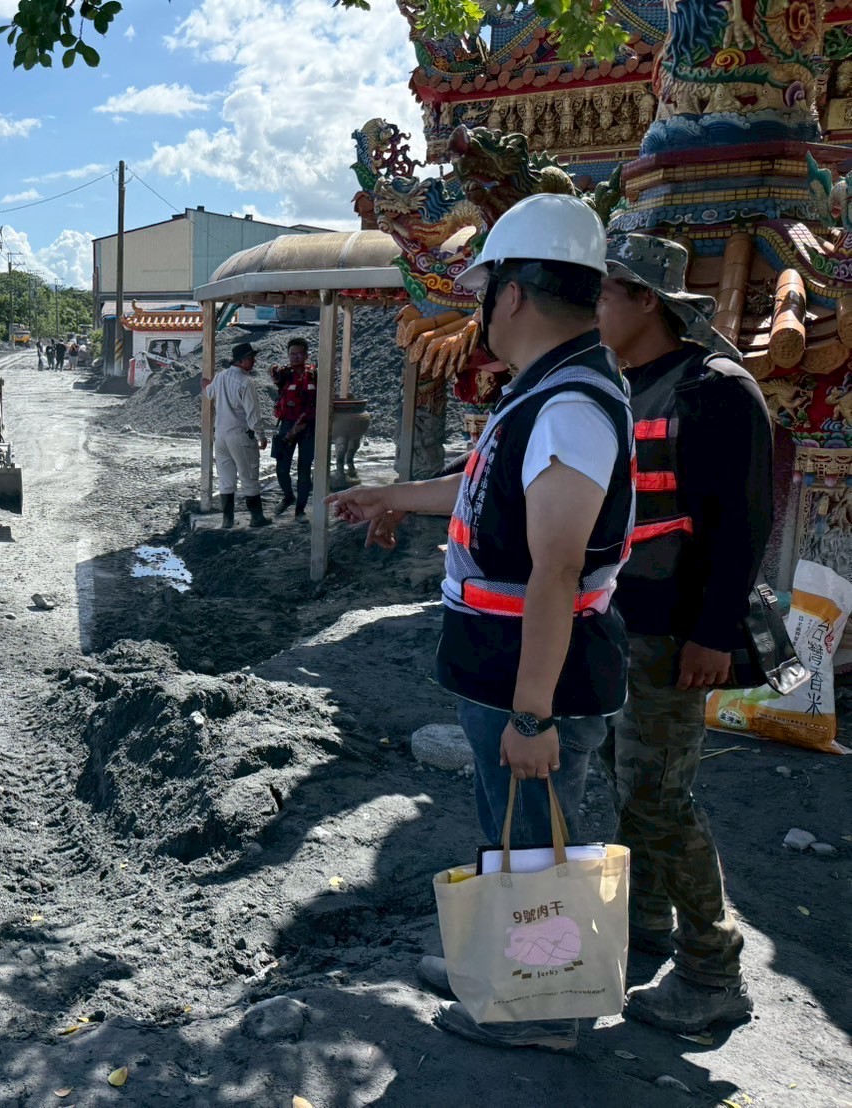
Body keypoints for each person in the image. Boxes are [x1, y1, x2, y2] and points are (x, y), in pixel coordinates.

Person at [327, 193, 636, 1052]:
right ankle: (505, 967)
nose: (477, 311)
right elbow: (479, 485)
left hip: (531, 678)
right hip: (504, 668)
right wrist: (392, 494)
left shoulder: (568, 407)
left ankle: (540, 1012)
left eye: (481, 292)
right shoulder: (543, 395)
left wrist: (533, 714)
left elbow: (558, 567)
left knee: (534, 840)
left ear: (510, 295)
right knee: (512, 828)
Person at [593, 233, 770, 1034]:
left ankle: (711, 974)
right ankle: (643, 928)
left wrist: (712, 633)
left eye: (604, 292)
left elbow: (740, 526)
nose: (590, 308)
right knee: (627, 785)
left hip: (674, 636)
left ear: (646, 302)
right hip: (618, 628)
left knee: (657, 797)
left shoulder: (714, 390)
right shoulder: (614, 387)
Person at [206, 341, 270, 529]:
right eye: (251, 358)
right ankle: (257, 518)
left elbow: (209, 393)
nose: (254, 362)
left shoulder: (220, 377)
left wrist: (205, 385)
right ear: (241, 361)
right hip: (241, 436)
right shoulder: (246, 382)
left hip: (221, 437)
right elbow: (253, 414)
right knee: (249, 477)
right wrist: (261, 435)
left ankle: (228, 520)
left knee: (226, 480)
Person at [270, 336, 318, 519]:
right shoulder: (284, 374)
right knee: (281, 467)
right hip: (288, 424)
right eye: (292, 354)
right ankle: (288, 496)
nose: (295, 357)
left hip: (310, 427)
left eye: (299, 354)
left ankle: (300, 509)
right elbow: (273, 373)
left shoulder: (315, 375)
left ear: (306, 355)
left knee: (304, 469)